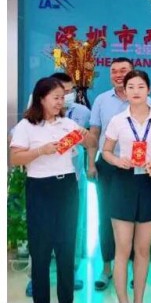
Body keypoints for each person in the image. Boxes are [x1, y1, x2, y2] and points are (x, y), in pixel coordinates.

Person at [10, 77, 89, 303]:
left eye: (63, 98)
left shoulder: (67, 123)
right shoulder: (26, 126)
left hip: (67, 187)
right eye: (56, 98)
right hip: (40, 188)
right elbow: (15, 158)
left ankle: (66, 298)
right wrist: (40, 151)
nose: (60, 102)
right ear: (41, 99)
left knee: (66, 247)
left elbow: (91, 143)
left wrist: (85, 136)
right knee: (41, 249)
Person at [102, 70, 151, 303]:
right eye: (130, 87)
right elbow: (106, 151)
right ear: (125, 91)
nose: (136, 91)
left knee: (142, 250)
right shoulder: (117, 120)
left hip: (150, 182)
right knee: (122, 249)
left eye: (141, 86)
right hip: (123, 183)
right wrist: (117, 160)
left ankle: (138, 299)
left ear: (149, 89)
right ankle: (123, 300)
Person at [87, 57, 135, 290]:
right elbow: (94, 134)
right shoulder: (101, 100)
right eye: (114, 71)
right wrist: (91, 163)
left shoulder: (144, 100)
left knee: (132, 217)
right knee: (105, 215)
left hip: (134, 167)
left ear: (133, 72)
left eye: (123, 70)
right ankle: (106, 267)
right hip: (106, 165)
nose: (118, 74)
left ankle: (133, 268)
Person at [51, 72, 91, 291]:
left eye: (69, 91)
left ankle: (71, 271)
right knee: (43, 228)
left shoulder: (82, 112)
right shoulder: (38, 112)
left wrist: (84, 137)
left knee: (74, 226)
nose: (66, 96)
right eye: (61, 92)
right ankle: (37, 274)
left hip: (74, 177)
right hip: (45, 180)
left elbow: (92, 141)